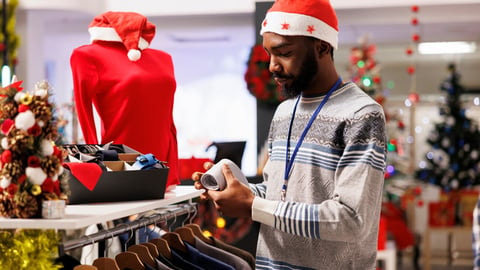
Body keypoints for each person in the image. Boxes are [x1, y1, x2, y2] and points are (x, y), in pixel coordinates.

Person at [193, 0, 387, 269]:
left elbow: (351, 220)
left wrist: (252, 206)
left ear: (322, 46)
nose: (272, 66)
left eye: (284, 53)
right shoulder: (285, 111)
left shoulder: (362, 113)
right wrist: (235, 191)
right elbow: (278, 192)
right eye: (269, 54)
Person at [70, 11, 180, 190]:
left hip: (162, 158)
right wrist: (95, 162)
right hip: (121, 159)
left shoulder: (164, 58)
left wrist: (173, 163)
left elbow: (168, 120)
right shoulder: (88, 55)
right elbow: (84, 111)